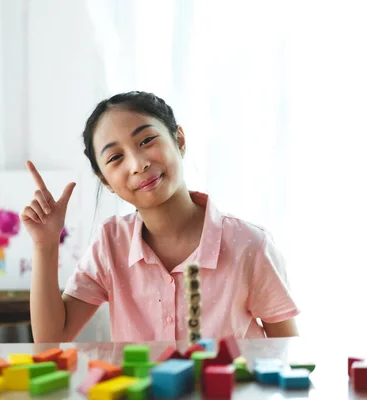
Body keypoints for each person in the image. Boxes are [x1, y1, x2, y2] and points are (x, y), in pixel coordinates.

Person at [22, 91, 299, 343]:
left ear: (179, 140)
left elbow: (286, 354)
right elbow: (50, 339)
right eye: (116, 158)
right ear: (104, 180)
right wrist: (45, 244)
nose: (138, 163)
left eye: (146, 140)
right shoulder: (111, 243)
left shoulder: (250, 245)